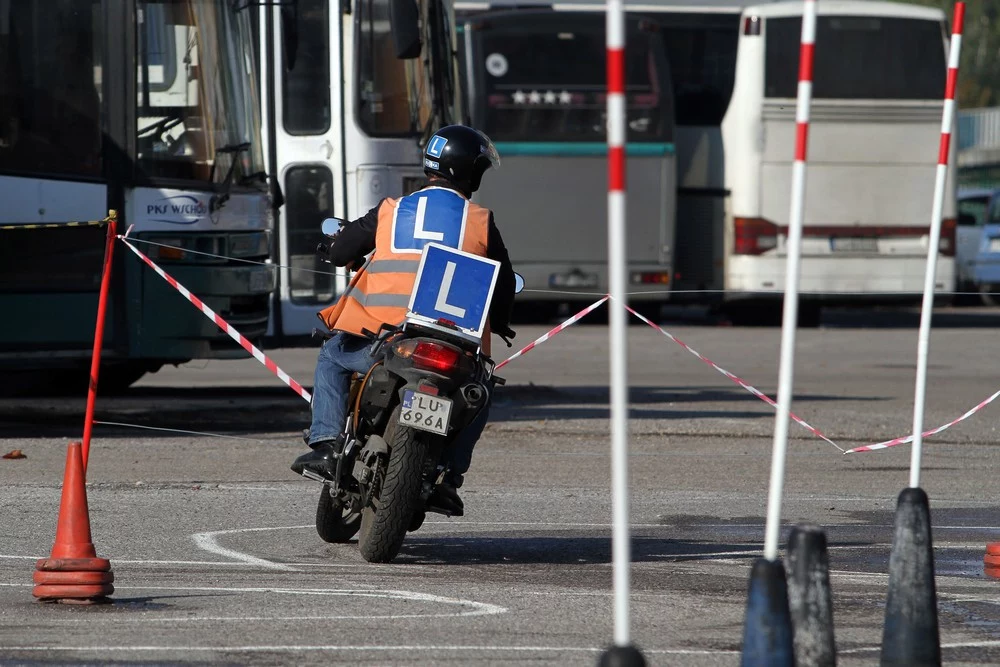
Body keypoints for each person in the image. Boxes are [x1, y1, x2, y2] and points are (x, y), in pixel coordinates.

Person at [290, 125, 516, 515]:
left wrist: (333, 248)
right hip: (451, 347)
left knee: (332, 357)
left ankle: (326, 445)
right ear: (469, 171)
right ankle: (449, 476)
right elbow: (504, 282)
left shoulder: (391, 211)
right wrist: (503, 321)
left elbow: (343, 248)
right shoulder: (479, 220)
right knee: (480, 392)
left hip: (385, 340)